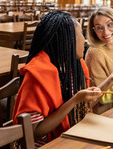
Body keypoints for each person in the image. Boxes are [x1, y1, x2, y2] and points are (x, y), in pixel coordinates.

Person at [13, 11, 102, 147]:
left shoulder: (76, 65)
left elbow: (83, 106)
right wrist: (75, 100)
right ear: (67, 41)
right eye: (80, 36)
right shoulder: (38, 74)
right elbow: (33, 132)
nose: (85, 41)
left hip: (70, 135)